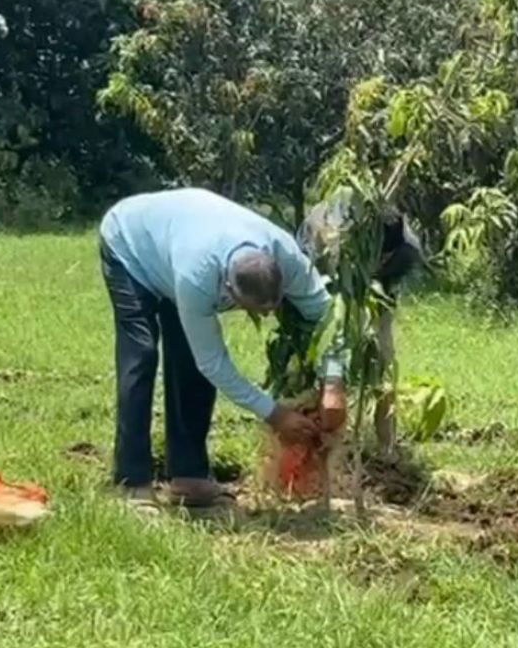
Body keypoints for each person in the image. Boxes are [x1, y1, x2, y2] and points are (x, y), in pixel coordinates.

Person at [98, 187, 332, 512]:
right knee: (142, 354)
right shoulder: (198, 278)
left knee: (188, 363)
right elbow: (213, 362)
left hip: (178, 239)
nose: (266, 315)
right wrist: (274, 413)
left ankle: (188, 475)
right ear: (226, 288)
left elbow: (327, 315)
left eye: (273, 306)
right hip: (131, 246)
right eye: (254, 308)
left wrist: (334, 381)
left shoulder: (288, 256)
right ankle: (132, 481)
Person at [297, 189, 423, 454]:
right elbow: (308, 281)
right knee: (328, 362)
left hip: (379, 295)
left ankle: (386, 447)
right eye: (376, 257)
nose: (380, 262)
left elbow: (388, 294)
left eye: (385, 257)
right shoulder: (324, 232)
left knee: (383, 359)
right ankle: (320, 442)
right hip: (327, 292)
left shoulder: (405, 249)